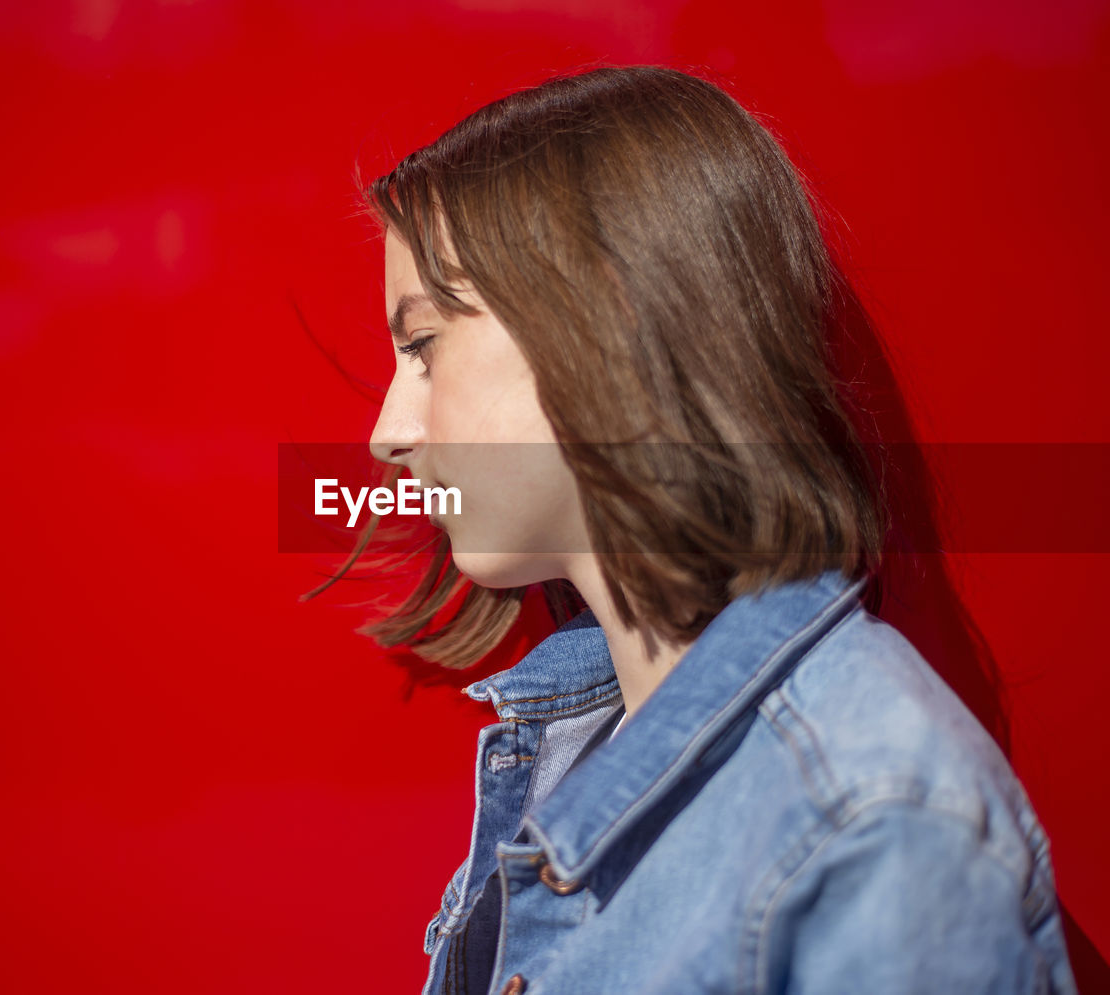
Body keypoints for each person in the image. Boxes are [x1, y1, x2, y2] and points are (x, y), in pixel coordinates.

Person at [338, 65, 1076, 993]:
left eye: (424, 347)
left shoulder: (873, 823)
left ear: (609, 316)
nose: (386, 436)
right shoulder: (578, 742)